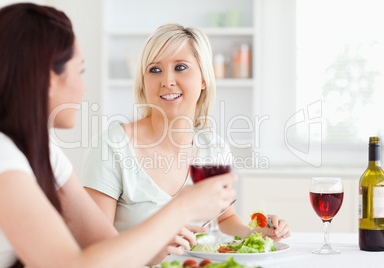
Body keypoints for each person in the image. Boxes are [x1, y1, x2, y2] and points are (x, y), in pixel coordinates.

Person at [0, 4, 237, 268]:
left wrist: (158, 249)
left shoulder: (42, 152)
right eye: (79, 71)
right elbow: (71, 265)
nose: (83, 87)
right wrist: (180, 210)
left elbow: (103, 246)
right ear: (48, 78)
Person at [81, 23, 291, 254]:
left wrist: (257, 233)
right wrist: (152, 246)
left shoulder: (215, 148)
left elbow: (224, 218)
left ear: (203, 78)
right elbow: (93, 244)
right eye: (155, 70)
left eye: (180, 67)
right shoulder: (113, 145)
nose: (167, 81)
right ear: (143, 81)